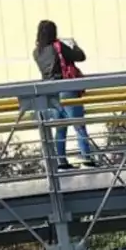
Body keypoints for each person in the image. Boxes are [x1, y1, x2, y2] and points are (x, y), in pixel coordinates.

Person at [32, 20, 97, 170]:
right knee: (79, 125)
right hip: (66, 89)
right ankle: (87, 159)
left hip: (50, 93)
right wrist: (74, 45)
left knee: (60, 128)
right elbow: (80, 56)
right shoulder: (58, 46)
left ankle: (61, 162)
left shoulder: (37, 52)